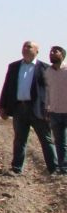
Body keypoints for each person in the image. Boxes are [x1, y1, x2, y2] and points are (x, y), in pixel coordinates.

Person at [0, 41, 57, 175]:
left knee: (46, 139)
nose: (25, 49)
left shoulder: (45, 68)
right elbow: (7, 87)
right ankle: (16, 168)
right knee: (19, 139)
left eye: (29, 46)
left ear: (37, 51)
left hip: (38, 110)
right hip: (19, 108)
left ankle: (54, 168)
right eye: (24, 46)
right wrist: (2, 106)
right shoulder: (14, 67)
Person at [47, 45, 67, 175]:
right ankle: (63, 167)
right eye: (51, 51)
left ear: (62, 54)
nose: (52, 53)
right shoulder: (48, 72)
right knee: (60, 142)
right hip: (54, 112)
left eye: (55, 51)